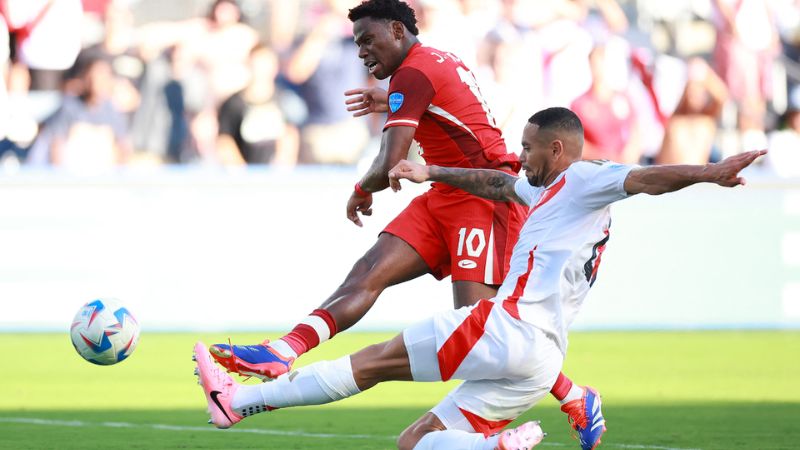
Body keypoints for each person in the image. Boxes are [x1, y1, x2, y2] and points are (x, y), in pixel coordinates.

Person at [194, 106, 766, 450]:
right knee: (414, 442)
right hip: (540, 359)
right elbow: (497, 184)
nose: (519, 157)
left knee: (368, 365)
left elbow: (646, 179)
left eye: (528, 147)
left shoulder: (588, 178)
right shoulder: (547, 190)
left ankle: (238, 402)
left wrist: (709, 172)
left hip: (505, 327)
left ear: (558, 148)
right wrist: (432, 171)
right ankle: (481, 443)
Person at [208, 0, 601, 447]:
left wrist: (361, 189)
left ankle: (572, 396)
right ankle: (285, 350)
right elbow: (445, 107)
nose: (361, 52)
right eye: (356, 43)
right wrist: (394, 99)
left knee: (478, 330)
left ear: (398, 30)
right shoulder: (422, 66)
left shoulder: (415, 72)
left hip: (482, 198)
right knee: (369, 272)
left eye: (367, 40)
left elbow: (390, 161)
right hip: (441, 194)